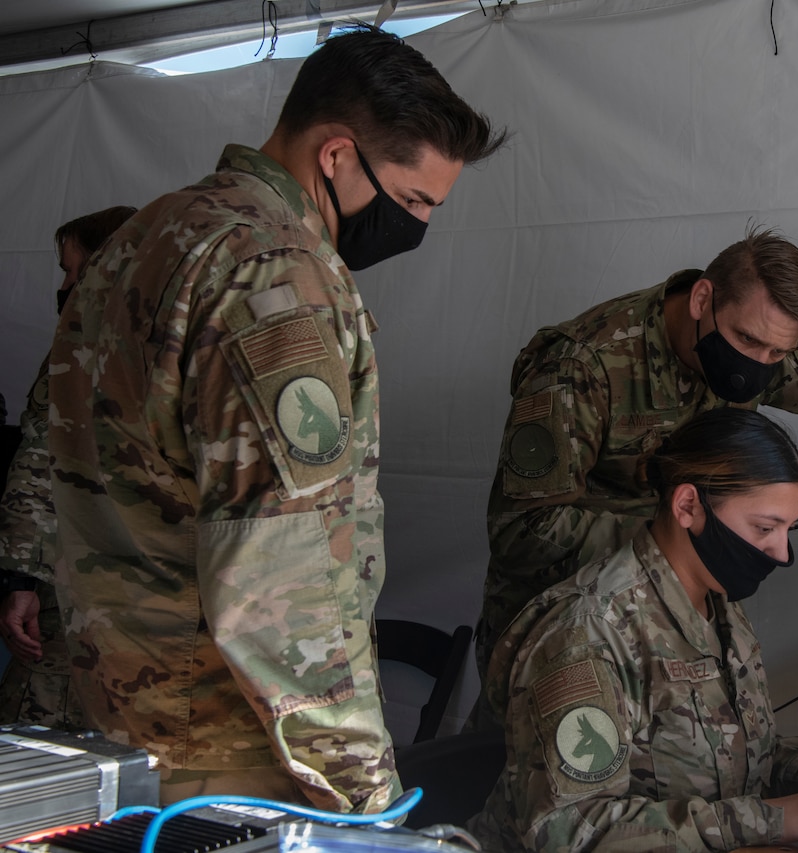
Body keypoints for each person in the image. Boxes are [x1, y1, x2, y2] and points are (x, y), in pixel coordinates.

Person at [46, 26, 506, 812]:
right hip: (223, 750)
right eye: (412, 201)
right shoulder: (272, 275)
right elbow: (282, 581)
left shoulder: (146, 235)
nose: (419, 228)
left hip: (113, 705)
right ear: (335, 154)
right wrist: (367, 797)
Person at [477, 225, 798, 683]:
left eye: (778, 353)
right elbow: (523, 529)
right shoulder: (582, 365)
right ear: (703, 300)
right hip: (560, 628)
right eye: (747, 341)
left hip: (679, 620)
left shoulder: (772, 336)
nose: (759, 364)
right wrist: (678, 534)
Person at [470, 408, 798, 852]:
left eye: (788, 528)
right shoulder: (589, 632)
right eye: (765, 528)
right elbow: (568, 830)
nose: (780, 553)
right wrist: (774, 819)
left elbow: (734, 753)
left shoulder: (716, 605)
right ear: (687, 506)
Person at [0, 204, 137, 728]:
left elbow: (40, 467)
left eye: (71, 269)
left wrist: (19, 580)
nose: (66, 283)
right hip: (155, 611)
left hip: (78, 594)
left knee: (39, 735)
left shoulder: (83, 349)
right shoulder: (187, 342)